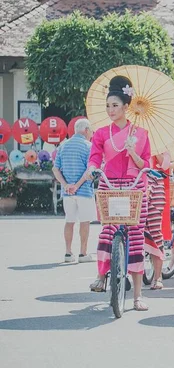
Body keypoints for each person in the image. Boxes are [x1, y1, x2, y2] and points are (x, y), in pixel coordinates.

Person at [87, 75, 151, 311]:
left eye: (115, 105)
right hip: (109, 185)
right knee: (107, 231)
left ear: (126, 107)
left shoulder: (141, 133)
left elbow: (147, 164)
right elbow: (95, 157)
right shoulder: (102, 133)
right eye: (108, 106)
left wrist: (133, 152)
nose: (110, 110)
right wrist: (93, 168)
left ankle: (136, 296)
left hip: (135, 186)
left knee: (135, 238)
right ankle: (102, 275)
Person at [52, 118, 95, 263]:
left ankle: (68, 253)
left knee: (69, 221)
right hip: (83, 191)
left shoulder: (63, 146)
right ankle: (83, 254)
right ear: (87, 130)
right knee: (85, 221)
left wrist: (65, 185)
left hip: (67, 193)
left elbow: (55, 169)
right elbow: (90, 170)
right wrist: (77, 185)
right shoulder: (89, 146)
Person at [144, 152, 170, 290]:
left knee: (155, 230)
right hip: (136, 181)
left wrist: (156, 150)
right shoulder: (129, 138)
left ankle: (157, 276)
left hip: (155, 183)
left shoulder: (158, 141)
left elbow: (165, 165)